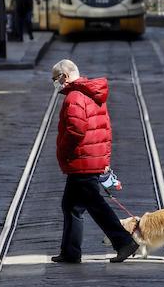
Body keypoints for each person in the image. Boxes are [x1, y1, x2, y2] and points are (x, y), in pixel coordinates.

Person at [50, 59, 139, 264]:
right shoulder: (92, 93)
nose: (55, 83)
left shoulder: (74, 96)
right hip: (91, 159)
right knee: (71, 206)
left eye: (55, 78)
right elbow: (106, 130)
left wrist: (62, 151)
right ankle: (70, 253)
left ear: (65, 76)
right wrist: (104, 159)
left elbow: (75, 130)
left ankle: (124, 242)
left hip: (82, 160)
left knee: (96, 206)